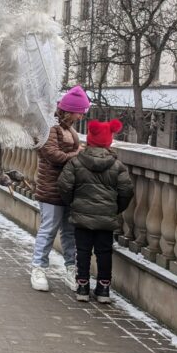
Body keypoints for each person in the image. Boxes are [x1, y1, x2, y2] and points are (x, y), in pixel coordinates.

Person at [58, 119, 134, 303]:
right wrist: (115, 208)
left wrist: (74, 203)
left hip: (82, 215)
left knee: (82, 251)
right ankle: (103, 289)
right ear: (109, 141)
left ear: (90, 139)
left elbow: (64, 185)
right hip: (106, 217)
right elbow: (127, 191)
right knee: (104, 252)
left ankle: (82, 286)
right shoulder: (117, 166)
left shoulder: (76, 162)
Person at [30, 85, 90, 293]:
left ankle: (70, 269)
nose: (83, 115)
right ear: (71, 110)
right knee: (48, 229)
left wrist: (76, 152)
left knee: (69, 232)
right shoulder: (50, 126)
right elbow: (54, 155)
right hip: (51, 188)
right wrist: (77, 154)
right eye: (81, 111)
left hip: (68, 188)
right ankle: (38, 268)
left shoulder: (67, 128)